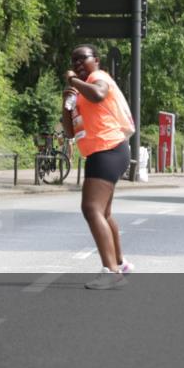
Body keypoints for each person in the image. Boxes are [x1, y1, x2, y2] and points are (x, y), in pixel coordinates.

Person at [60, 44, 135, 290]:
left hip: (107, 148)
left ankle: (111, 271)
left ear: (96, 60)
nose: (78, 64)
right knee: (104, 212)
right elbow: (70, 131)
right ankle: (120, 263)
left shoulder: (98, 77)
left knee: (91, 208)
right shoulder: (79, 91)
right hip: (102, 151)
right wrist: (66, 102)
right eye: (74, 60)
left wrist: (74, 80)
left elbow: (99, 94)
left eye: (83, 58)